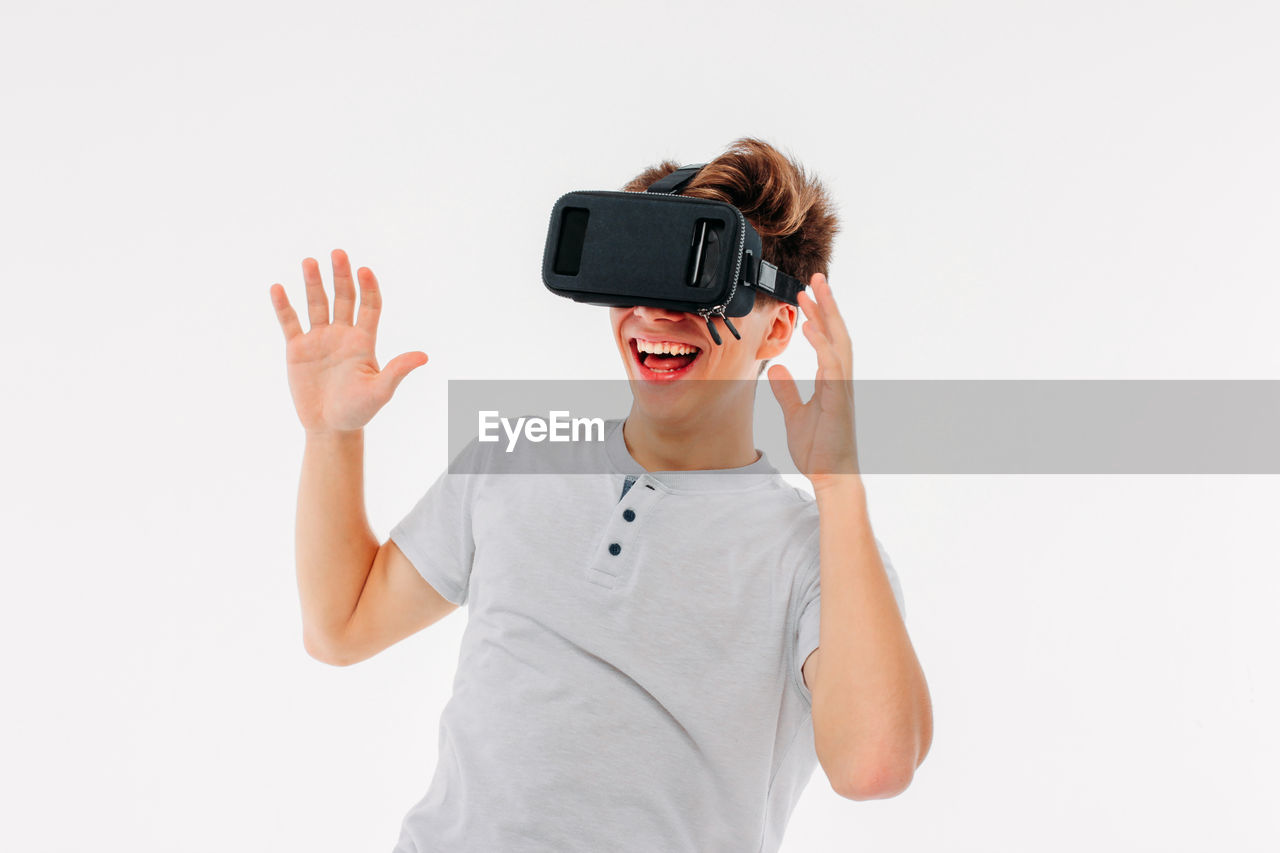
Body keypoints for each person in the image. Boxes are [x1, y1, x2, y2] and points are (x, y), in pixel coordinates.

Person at [269, 137, 932, 852]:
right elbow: (341, 624)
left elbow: (873, 764)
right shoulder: (514, 458)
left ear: (776, 325)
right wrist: (331, 436)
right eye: (638, 272)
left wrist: (839, 484)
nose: (655, 312)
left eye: (697, 279)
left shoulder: (816, 553)